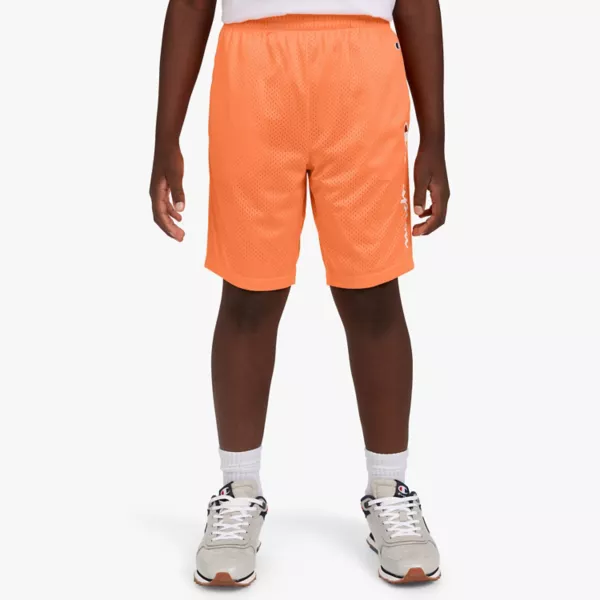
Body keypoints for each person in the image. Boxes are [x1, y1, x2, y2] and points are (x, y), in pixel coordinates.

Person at [150, 0, 450, 588]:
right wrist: (166, 136)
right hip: (252, 68)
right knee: (248, 292)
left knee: (372, 291)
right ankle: (238, 490)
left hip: (363, 67)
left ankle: (390, 489)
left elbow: (417, 3)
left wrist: (434, 139)